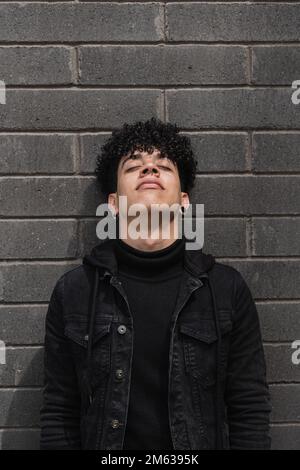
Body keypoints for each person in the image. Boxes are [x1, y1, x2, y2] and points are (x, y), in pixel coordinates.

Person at [40, 117, 271, 450]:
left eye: (163, 165)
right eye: (134, 166)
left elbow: (249, 409)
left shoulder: (225, 290)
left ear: (184, 201)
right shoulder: (75, 292)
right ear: (114, 203)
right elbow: (60, 412)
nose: (150, 170)